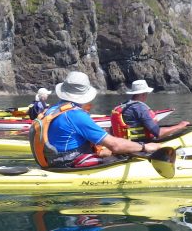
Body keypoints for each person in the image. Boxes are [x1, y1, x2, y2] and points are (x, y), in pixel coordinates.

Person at [29, 70, 162, 169]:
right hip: (68, 165)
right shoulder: (76, 115)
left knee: (110, 152)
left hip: (53, 162)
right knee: (121, 156)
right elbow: (115, 145)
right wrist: (144, 146)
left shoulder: (52, 109)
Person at [110, 79, 189, 141]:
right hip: (139, 144)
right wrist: (180, 126)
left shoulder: (124, 105)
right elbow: (158, 133)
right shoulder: (140, 108)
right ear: (143, 94)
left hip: (126, 143)